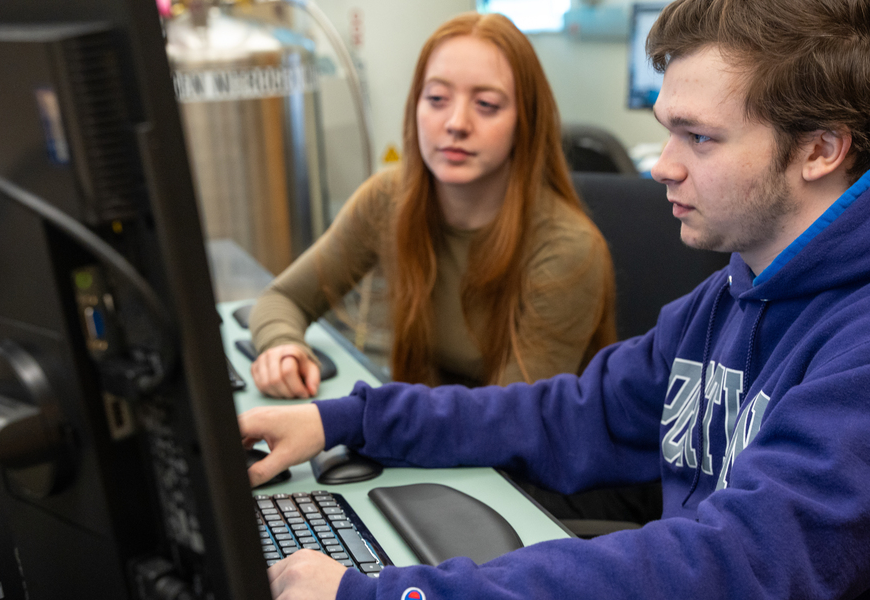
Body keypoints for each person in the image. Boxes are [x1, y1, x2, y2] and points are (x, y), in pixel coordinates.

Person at [238, 0, 870, 598]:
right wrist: (347, 421)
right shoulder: (728, 296)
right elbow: (567, 414)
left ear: (820, 149)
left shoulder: (863, 346)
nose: (661, 165)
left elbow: (738, 560)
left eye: (699, 137)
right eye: (667, 131)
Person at [247, 12, 617, 398]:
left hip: (510, 448)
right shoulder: (388, 198)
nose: (456, 122)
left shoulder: (568, 248)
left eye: (487, 104)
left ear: (525, 122)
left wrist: (354, 420)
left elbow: (508, 422)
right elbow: (282, 299)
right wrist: (282, 348)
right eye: (437, 99)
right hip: (429, 435)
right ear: (415, 107)